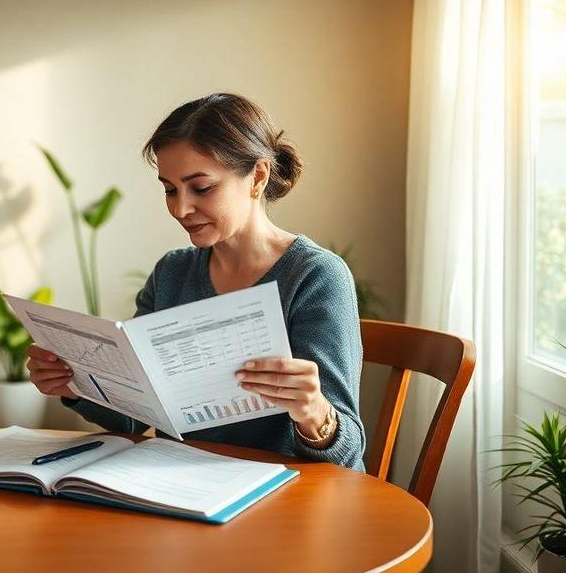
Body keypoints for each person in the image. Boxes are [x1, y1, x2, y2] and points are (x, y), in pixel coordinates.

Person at [27, 93, 366, 471]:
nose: (180, 208)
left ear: (258, 176)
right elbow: (133, 420)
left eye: (201, 188)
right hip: (183, 484)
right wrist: (75, 385)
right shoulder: (172, 274)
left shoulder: (314, 277)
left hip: (284, 490)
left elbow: (347, 454)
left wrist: (314, 412)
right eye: (170, 189)